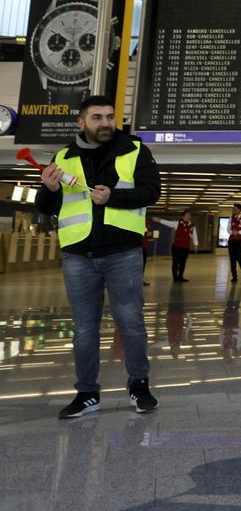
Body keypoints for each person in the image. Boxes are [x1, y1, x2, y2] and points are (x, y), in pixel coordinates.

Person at [34, 95, 161, 418]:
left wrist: (113, 197)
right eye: (97, 117)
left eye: (109, 117)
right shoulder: (63, 157)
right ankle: (87, 393)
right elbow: (46, 209)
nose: (105, 123)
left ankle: (139, 385)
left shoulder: (135, 151)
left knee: (130, 322)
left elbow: (151, 191)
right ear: (81, 122)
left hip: (123, 252)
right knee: (84, 329)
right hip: (78, 254)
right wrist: (48, 190)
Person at [161, 210, 198, 282]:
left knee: (183, 263)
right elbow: (168, 223)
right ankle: (175, 277)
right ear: (183, 216)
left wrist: (196, 245)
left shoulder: (192, 225)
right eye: (187, 215)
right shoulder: (177, 223)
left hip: (185, 248)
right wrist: (160, 220)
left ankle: (180, 277)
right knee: (175, 263)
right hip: (176, 247)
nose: (189, 216)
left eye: (189, 215)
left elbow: (194, 235)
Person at [228, 203, 241, 282]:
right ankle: (234, 276)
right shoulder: (231, 218)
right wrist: (231, 232)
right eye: (233, 209)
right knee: (232, 258)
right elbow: (228, 228)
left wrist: (238, 232)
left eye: (235, 209)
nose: (233, 210)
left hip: (239, 241)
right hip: (231, 240)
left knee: (238, 257)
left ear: (239, 210)